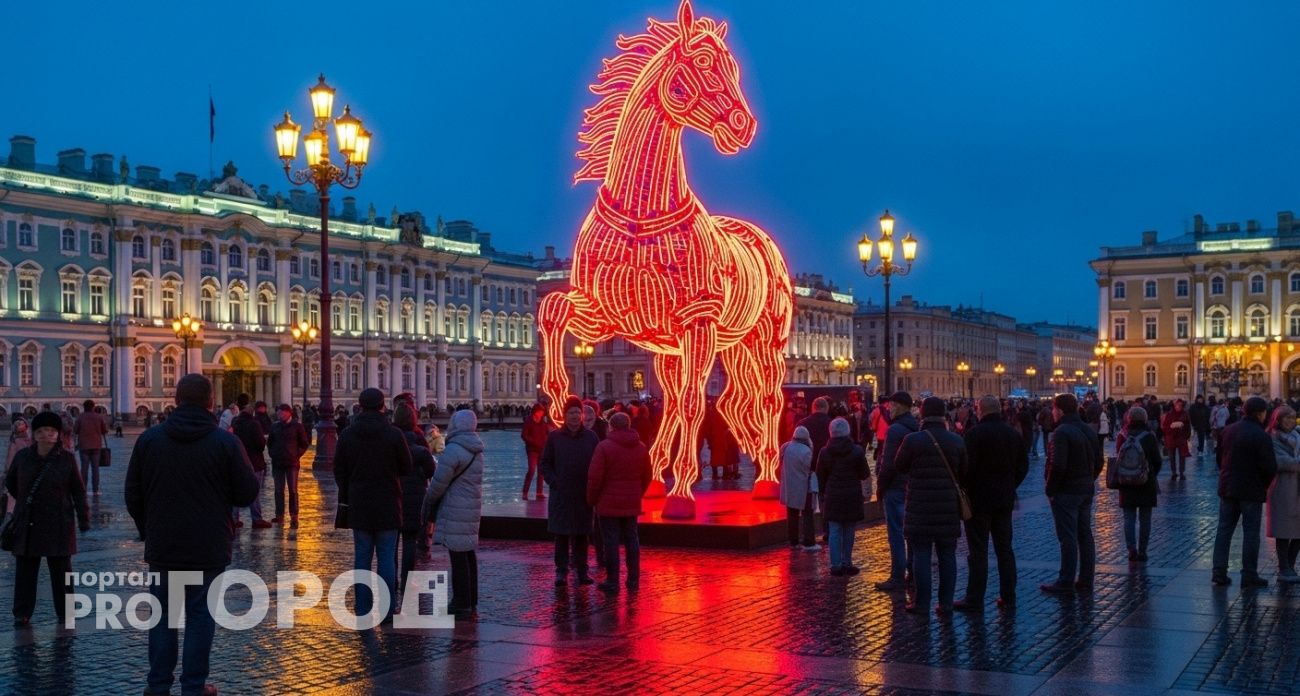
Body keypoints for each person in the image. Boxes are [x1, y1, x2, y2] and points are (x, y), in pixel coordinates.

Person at [125, 374, 259, 696]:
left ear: (176, 399)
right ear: (210, 401)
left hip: (164, 547)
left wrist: (149, 530)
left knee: (163, 618)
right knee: (201, 616)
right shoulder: (225, 442)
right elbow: (246, 493)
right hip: (208, 547)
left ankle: (157, 686)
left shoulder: (150, 439)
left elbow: (133, 494)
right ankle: (194, 687)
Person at [334, 388, 412, 623]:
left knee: (362, 557)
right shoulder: (394, 434)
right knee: (387, 558)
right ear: (382, 406)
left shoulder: (347, 434)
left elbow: (339, 470)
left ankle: (362, 607)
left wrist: (351, 488)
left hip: (359, 504)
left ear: (360, 405)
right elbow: (406, 467)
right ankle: (387, 611)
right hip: (388, 502)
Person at [6, 411, 90, 628]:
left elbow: (78, 492)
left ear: (58, 434)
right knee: (25, 572)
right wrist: (26, 501)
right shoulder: (23, 457)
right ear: (34, 434)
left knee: (62, 573)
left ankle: (66, 611)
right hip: (29, 522)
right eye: (41, 431)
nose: (46, 435)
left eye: (51, 431)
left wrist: (83, 518)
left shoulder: (68, 459)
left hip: (59, 523)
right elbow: (11, 482)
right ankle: (22, 613)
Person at [894, 398, 967, 616]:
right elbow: (964, 472)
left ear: (922, 415)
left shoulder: (912, 440)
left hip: (920, 507)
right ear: (944, 414)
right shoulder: (956, 440)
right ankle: (945, 604)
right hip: (947, 508)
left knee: (921, 556)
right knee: (947, 556)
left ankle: (922, 603)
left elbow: (899, 466)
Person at [957, 395, 1028, 612]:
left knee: (978, 552)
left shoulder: (974, 435)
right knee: (1004, 549)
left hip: (979, 501)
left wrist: (968, 489)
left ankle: (975, 598)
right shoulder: (1012, 434)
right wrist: (1010, 485)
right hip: (1004, 500)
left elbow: (964, 468)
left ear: (980, 410)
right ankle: (1009, 596)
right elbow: (1022, 467)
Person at [422, 408, 485, 619]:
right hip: (471, 505)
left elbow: (439, 483)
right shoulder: (477, 448)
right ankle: (471, 599)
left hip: (456, 506)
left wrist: (428, 501)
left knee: (457, 556)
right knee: (468, 553)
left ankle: (461, 603)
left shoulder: (454, 449)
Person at [1041, 393, 1103, 595]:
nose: (1053, 412)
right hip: (1085, 489)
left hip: (1067, 492)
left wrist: (1051, 490)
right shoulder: (1088, 430)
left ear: (1059, 409)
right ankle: (1086, 578)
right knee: (1085, 535)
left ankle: (1066, 580)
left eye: (1053, 409)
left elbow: (1058, 465)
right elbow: (1099, 461)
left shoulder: (1061, 432)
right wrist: (1089, 478)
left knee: (1067, 537)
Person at [1212, 396, 1277, 588]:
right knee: (1250, 533)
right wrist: (1263, 484)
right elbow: (1269, 467)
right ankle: (1249, 574)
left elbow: (1219, 459)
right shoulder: (1261, 435)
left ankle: (1218, 572)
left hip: (1228, 487)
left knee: (1224, 530)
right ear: (1260, 413)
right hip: (1251, 489)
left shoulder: (1228, 430)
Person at [587, 412, 652, 592]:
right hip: (631, 502)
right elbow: (648, 475)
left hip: (608, 504)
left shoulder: (604, 447)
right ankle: (633, 580)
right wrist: (638, 493)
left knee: (611, 542)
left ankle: (613, 581)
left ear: (611, 427)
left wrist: (592, 500)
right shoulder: (640, 447)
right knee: (632, 540)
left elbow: (594, 478)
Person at [541, 396, 600, 586]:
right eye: (571, 412)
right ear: (565, 415)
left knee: (583, 535)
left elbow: (598, 464)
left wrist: (593, 485)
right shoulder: (554, 437)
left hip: (583, 494)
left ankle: (582, 570)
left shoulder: (591, 437)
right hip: (561, 494)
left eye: (577, 412)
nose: (574, 416)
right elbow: (545, 464)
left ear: (582, 415)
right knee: (562, 535)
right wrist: (554, 482)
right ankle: (561, 570)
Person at [875, 391, 918, 592]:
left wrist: (880, 487)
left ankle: (897, 576)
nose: (889, 409)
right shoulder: (915, 426)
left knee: (896, 534)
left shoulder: (895, 430)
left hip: (894, 487)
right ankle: (912, 571)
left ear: (900, 406)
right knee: (910, 533)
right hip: (910, 486)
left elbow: (888, 464)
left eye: (891, 406)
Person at [817, 417, 870, 577]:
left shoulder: (825, 452)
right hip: (852, 494)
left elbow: (820, 476)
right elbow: (864, 473)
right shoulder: (856, 450)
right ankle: (847, 562)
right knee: (849, 530)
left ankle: (835, 565)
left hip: (833, 494)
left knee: (834, 530)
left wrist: (823, 492)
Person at [394, 403, 436, 593]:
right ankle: (408, 582)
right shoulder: (420, 441)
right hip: (415, 498)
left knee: (391, 543)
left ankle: (391, 580)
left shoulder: (390, 439)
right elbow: (431, 470)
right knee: (410, 541)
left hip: (392, 496)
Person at [1114, 407, 1161, 562]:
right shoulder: (1149, 436)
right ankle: (1143, 550)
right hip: (1145, 482)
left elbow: (1118, 457)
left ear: (1129, 418)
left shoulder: (1122, 435)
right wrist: (1150, 474)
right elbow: (1157, 460)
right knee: (1145, 518)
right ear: (1145, 419)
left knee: (1128, 517)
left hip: (1126, 482)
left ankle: (1131, 549)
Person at [1265, 405, 1300, 583]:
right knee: (1284, 530)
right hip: (1282, 488)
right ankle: (1284, 568)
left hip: (1298, 488)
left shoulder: (1297, 435)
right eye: (1287, 418)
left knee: (1298, 530)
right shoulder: (1272, 437)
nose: (1290, 421)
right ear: (1278, 419)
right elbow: (1281, 462)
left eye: (1293, 418)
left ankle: (1291, 566)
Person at [267, 403, 310, 528]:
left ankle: (294, 516)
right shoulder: (275, 426)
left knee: (293, 490)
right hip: (278, 463)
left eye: (281, 412)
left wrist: (296, 455)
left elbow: (304, 443)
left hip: (292, 463)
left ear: (288, 413)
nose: (279, 415)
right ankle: (279, 515)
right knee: (278, 490)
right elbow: (270, 443)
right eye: (278, 413)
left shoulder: (297, 426)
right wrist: (272, 453)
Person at [230, 401, 271, 529]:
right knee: (255, 490)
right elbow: (260, 444)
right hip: (254, 461)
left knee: (235, 490)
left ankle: (233, 519)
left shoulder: (235, 423)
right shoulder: (254, 424)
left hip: (237, 461)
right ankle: (256, 519)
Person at [779, 426, 817, 550]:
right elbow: (808, 468)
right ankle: (809, 541)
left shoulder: (785, 448)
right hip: (804, 487)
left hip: (789, 486)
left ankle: (793, 541)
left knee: (792, 514)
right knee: (807, 513)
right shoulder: (806, 451)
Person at [73, 400, 108, 496]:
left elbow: (75, 430)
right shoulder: (98, 417)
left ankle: (83, 489)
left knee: (84, 469)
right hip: (96, 446)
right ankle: (95, 490)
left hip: (83, 446)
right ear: (93, 407)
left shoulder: (80, 417)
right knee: (95, 469)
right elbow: (104, 431)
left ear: (84, 407)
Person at [521, 404, 551, 501]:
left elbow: (547, 432)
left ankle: (539, 492)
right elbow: (524, 435)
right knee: (532, 470)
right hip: (532, 450)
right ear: (535, 412)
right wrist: (533, 442)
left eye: (542, 412)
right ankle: (525, 492)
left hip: (542, 449)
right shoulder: (529, 421)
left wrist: (546, 441)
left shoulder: (543, 422)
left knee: (541, 471)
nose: (541, 414)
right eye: (539, 412)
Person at [1162, 399, 1192, 478]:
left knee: (1182, 456)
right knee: (1172, 456)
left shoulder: (1185, 414)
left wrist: (1187, 435)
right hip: (1171, 438)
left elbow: (1188, 426)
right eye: (1177, 405)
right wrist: (1171, 427)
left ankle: (1182, 472)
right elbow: (1165, 426)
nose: (1178, 407)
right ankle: (1173, 472)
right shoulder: (1169, 414)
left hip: (1181, 438)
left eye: (1180, 405)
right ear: (1174, 406)